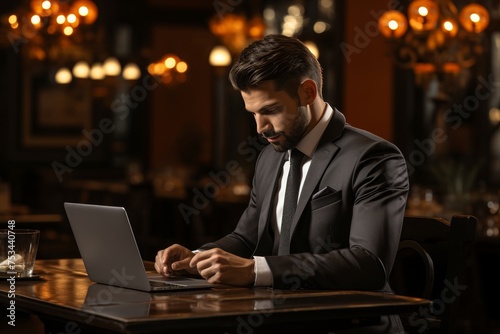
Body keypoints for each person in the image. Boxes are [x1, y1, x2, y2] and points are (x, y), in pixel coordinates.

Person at [155, 34, 409, 332]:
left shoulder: (374, 157)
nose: (261, 128)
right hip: (279, 319)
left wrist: (256, 271)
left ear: (308, 92)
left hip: (349, 325)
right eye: (253, 114)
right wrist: (197, 258)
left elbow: (369, 265)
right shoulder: (269, 158)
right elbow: (247, 239)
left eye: (270, 111)